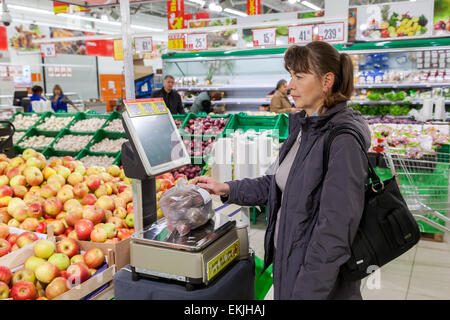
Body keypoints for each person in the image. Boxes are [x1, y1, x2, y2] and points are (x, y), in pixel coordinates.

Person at [192, 41, 371, 300]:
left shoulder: (342, 141)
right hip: (290, 265)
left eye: (299, 76)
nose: (290, 85)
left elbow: (334, 233)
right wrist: (227, 188)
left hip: (318, 284)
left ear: (327, 81)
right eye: (290, 76)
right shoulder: (304, 128)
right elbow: (276, 183)